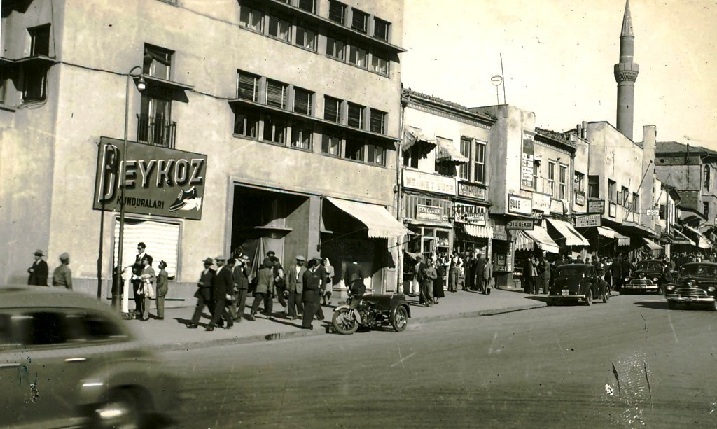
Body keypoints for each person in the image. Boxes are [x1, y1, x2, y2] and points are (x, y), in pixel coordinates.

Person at [187, 258, 216, 329]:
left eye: (207, 264)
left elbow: (213, 283)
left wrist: (204, 284)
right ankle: (194, 323)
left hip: (209, 294)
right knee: (198, 308)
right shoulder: (203, 272)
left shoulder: (213, 273)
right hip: (201, 293)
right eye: (205, 263)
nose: (206, 265)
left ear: (210, 265)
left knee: (212, 309)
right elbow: (201, 280)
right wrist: (199, 283)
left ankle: (218, 321)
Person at [207, 255, 233, 331]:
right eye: (217, 261)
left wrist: (229, 293)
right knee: (222, 310)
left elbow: (230, 283)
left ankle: (211, 325)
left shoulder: (226, 271)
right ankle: (230, 322)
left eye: (219, 261)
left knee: (217, 310)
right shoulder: (217, 271)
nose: (217, 262)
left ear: (223, 262)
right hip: (216, 294)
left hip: (223, 293)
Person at [301, 258, 323, 330]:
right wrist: (317, 286)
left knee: (309, 311)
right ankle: (306, 325)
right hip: (309, 295)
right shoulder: (308, 274)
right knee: (308, 311)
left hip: (311, 295)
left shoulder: (310, 273)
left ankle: (307, 324)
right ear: (313, 266)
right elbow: (308, 285)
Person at [132, 242, 150, 318]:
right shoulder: (137, 256)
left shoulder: (147, 257)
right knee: (136, 294)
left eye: (139, 248)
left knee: (141, 295)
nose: (138, 250)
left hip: (141, 278)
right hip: (135, 278)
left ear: (143, 248)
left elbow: (146, 267)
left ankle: (142, 311)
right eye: (138, 248)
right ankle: (137, 309)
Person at [286, 255, 307, 320]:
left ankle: (301, 313)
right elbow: (287, 276)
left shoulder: (305, 269)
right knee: (291, 301)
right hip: (292, 286)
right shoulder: (291, 267)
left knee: (299, 301)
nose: (302, 263)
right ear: (297, 261)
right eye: (300, 261)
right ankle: (292, 314)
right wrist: (287, 286)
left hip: (300, 287)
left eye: (303, 261)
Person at [232, 255, 251, 322]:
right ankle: (233, 314)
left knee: (242, 302)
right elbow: (233, 277)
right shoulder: (237, 268)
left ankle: (239, 315)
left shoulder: (248, 268)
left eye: (245, 260)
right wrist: (234, 285)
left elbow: (247, 274)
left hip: (244, 286)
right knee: (235, 301)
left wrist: (245, 267)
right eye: (243, 260)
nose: (244, 261)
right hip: (238, 286)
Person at [138, 255, 155, 321]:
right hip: (142, 286)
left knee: (147, 301)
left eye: (144, 260)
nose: (143, 261)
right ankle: (143, 314)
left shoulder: (150, 269)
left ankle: (145, 316)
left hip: (148, 287)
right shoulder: (143, 269)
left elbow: (153, 278)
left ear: (148, 261)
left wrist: (148, 280)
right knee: (142, 300)